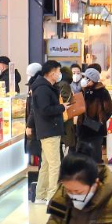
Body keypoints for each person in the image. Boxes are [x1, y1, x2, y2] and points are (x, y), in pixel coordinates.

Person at [33, 60, 68, 203]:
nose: (59, 74)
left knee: (47, 164)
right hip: (49, 130)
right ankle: (51, 196)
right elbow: (44, 110)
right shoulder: (43, 89)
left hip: (48, 129)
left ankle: (41, 195)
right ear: (52, 73)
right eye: (58, 72)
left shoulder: (45, 87)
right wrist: (61, 108)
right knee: (55, 164)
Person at [77, 67, 112, 163]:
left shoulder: (102, 92)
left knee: (95, 154)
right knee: (82, 154)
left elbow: (109, 109)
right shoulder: (82, 91)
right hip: (82, 128)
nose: (84, 80)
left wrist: (101, 120)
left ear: (92, 80)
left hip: (96, 128)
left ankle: (96, 174)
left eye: (86, 78)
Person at [58, 65, 77, 156]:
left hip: (63, 118)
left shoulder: (63, 85)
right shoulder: (65, 84)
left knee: (62, 147)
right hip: (65, 118)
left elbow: (64, 100)